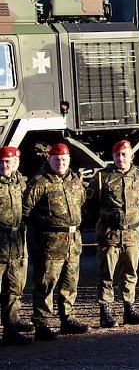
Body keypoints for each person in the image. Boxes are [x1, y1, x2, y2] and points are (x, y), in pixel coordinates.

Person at [22, 143, 89, 339]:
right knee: (46, 283)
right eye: (56, 159)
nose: (60, 163)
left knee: (70, 282)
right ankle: (41, 323)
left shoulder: (74, 180)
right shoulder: (39, 182)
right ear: (49, 160)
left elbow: (82, 202)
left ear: (69, 160)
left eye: (64, 159)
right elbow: (26, 211)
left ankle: (67, 319)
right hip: (50, 242)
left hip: (73, 240)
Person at [86, 140, 139, 328]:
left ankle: (129, 308)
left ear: (132, 156)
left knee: (130, 272)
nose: (120, 158)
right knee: (106, 274)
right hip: (109, 234)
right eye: (117, 155)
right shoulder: (102, 177)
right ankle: (105, 311)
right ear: (113, 157)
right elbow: (90, 205)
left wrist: (132, 218)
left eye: (124, 155)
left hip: (132, 234)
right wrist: (107, 219)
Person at [0, 146, 33, 345]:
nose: (5, 165)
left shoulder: (20, 184)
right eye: (2, 162)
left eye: (9, 162)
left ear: (15, 164)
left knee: (14, 288)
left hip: (17, 243)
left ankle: (10, 329)